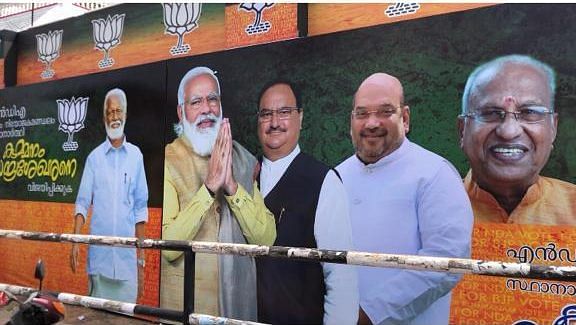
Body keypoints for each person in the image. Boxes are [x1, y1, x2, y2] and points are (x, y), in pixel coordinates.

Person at [336, 73, 473, 325]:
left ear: (405, 118)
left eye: (385, 111)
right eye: (362, 113)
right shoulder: (336, 176)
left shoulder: (435, 173)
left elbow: (445, 262)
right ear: (351, 120)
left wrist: (368, 314)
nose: (372, 123)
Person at [161, 66, 276, 320]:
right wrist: (210, 188)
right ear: (182, 112)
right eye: (196, 102)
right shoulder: (167, 160)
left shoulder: (242, 159)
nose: (207, 109)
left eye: (213, 99)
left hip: (237, 309)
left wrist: (233, 187)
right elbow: (167, 248)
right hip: (188, 311)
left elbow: (266, 239)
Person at [255, 81, 358, 325]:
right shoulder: (242, 176)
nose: (274, 122)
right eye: (266, 114)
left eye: (284, 112)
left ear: (300, 117)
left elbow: (341, 277)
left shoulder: (323, 181)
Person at [459, 54, 576, 224]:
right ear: (462, 130)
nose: (508, 132)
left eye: (529, 112)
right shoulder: (428, 207)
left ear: (553, 128)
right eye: (491, 113)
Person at [70, 88, 148, 304]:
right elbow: (83, 203)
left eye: (118, 111)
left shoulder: (136, 156)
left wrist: (141, 262)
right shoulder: (94, 158)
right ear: (105, 116)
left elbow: (140, 210)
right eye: (110, 112)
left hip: (127, 266)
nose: (114, 117)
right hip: (99, 264)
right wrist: (75, 241)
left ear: (125, 114)